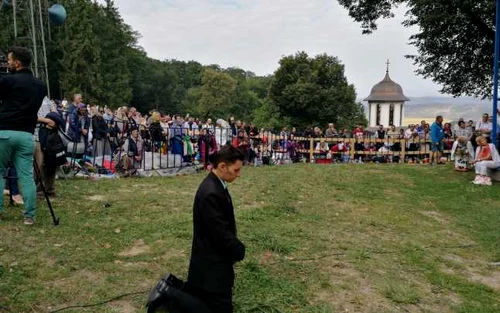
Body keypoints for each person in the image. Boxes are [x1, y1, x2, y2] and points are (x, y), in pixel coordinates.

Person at [147, 144, 246, 313]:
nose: (239, 174)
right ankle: (167, 292)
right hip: (210, 263)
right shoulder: (211, 192)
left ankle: (173, 284)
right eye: (236, 170)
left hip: (212, 260)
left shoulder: (216, 184)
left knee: (208, 300)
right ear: (222, 166)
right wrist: (238, 249)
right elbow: (219, 233)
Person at [0, 46, 47, 225]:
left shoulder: (8, 81)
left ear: (17, 63)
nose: (8, 63)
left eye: (10, 60)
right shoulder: (40, 86)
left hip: (4, 131)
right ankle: (29, 216)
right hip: (27, 134)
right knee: (26, 176)